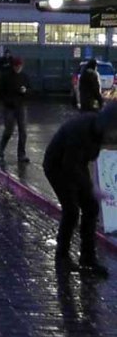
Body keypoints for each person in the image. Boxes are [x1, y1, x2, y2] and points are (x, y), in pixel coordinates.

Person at [42, 102, 117, 277]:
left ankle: (88, 258)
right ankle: (62, 257)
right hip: (56, 166)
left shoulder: (99, 132)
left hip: (76, 164)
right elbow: (70, 165)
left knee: (91, 207)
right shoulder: (82, 130)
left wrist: (90, 188)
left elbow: (82, 163)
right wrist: (91, 188)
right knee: (71, 210)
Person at [0, 56, 30, 162]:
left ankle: (21, 154)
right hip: (9, 107)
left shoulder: (24, 77)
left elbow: (30, 90)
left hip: (20, 106)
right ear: (13, 66)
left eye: (20, 66)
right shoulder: (6, 77)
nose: (18, 68)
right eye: (17, 66)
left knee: (23, 131)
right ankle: (2, 148)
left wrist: (26, 91)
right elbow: (0, 91)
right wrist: (7, 100)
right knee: (9, 130)